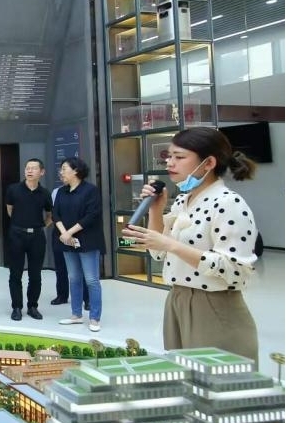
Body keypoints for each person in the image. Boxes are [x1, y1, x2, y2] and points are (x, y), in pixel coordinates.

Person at [122, 127, 260, 359]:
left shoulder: (229, 203)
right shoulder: (183, 201)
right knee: (182, 373)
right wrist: (156, 210)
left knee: (212, 376)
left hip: (214, 304)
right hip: (177, 299)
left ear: (208, 163)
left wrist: (171, 245)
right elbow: (158, 254)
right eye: (169, 156)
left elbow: (235, 270)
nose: (170, 163)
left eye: (179, 157)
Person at [53, 157, 104, 332]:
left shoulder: (90, 190)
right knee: (74, 278)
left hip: (88, 240)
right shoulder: (61, 192)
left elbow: (91, 215)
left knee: (91, 280)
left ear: (76, 171)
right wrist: (63, 233)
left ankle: (95, 318)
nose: (61, 172)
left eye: (64, 169)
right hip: (67, 241)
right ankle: (76, 314)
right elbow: (56, 214)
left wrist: (69, 232)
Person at [4, 159, 53, 321]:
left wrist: (40, 226)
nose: (29, 171)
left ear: (42, 172)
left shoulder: (45, 193)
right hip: (17, 234)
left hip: (37, 236)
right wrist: (21, 224)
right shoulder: (13, 189)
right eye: (27, 168)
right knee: (15, 273)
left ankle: (32, 306)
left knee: (35, 274)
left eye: (33, 168)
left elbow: (50, 215)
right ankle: (17, 307)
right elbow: (10, 210)